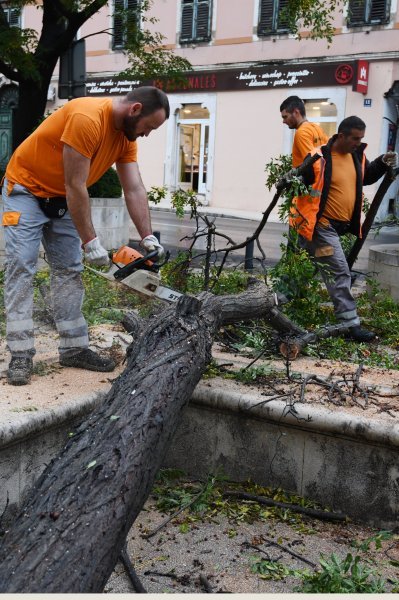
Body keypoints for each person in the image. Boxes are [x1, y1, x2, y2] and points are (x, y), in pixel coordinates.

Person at [1, 86, 169, 385]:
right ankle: (21, 354)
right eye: (149, 127)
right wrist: (91, 242)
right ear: (135, 110)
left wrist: (148, 238)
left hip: (62, 198)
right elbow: (75, 185)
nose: (147, 134)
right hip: (26, 190)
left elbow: (133, 187)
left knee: (68, 269)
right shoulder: (87, 118)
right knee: (22, 267)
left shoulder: (125, 138)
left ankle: (74, 347)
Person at [290, 115, 398, 342]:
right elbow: (298, 183)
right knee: (339, 271)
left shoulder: (356, 156)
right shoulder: (319, 157)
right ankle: (350, 325)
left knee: (303, 270)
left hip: (337, 228)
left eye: (361, 138)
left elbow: (366, 177)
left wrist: (381, 162)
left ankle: (277, 304)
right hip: (321, 227)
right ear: (341, 136)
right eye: (355, 138)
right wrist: (290, 179)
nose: (358, 142)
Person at [280, 95, 328, 168]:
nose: (284, 121)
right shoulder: (317, 128)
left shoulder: (301, 132)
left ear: (296, 112)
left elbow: (311, 163)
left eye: (285, 117)